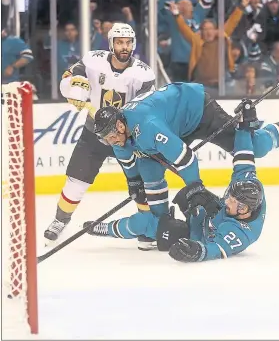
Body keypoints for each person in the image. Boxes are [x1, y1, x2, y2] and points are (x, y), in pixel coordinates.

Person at [92, 82, 279, 222]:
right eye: (107, 139)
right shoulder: (114, 133)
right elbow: (130, 165)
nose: (112, 142)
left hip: (197, 109)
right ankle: (159, 221)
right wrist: (133, 182)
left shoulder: (147, 127)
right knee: (148, 169)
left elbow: (186, 158)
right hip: (173, 122)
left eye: (112, 137)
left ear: (121, 126)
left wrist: (195, 188)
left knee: (254, 146)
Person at [84, 100, 268, 263]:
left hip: (194, 234)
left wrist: (198, 251)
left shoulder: (242, 232)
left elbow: (218, 248)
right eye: (231, 197)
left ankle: (106, 228)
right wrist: (246, 124)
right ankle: (106, 227)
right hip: (204, 214)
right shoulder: (245, 184)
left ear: (243, 210)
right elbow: (244, 156)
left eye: (233, 202)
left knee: (144, 223)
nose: (227, 199)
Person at [43, 23, 156, 250]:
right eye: (120, 42)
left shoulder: (143, 73)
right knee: (76, 179)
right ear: (111, 43)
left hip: (127, 136)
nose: (124, 47)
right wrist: (76, 90)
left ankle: (148, 227)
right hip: (94, 131)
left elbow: (146, 108)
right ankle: (60, 221)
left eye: (128, 42)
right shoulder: (93, 61)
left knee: (142, 182)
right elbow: (70, 78)